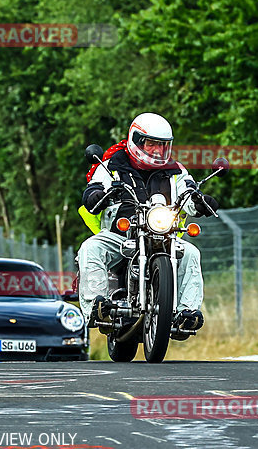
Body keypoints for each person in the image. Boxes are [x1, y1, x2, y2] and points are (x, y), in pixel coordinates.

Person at [76, 112, 219, 336]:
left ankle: (187, 314)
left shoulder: (176, 171)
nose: (158, 151)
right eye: (152, 144)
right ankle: (97, 307)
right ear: (136, 140)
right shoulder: (112, 165)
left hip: (165, 236)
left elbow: (188, 192)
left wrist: (200, 202)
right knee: (91, 247)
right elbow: (94, 187)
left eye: (163, 146)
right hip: (121, 236)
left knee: (191, 253)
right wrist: (95, 195)